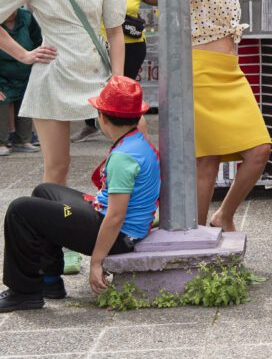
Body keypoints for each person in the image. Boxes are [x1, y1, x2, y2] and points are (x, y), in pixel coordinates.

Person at [149, 0, 272, 231]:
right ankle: (197, 236)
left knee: (259, 149)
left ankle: (222, 216)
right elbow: (172, 4)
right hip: (203, 72)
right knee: (207, 162)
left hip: (229, 73)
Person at [0, 76, 158, 313]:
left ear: (101, 118)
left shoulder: (123, 158)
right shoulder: (137, 141)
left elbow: (115, 217)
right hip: (110, 221)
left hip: (117, 234)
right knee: (45, 192)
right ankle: (49, 281)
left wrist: (96, 262)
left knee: (20, 210)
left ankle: (24, 292)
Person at [0, 0, 125, 187]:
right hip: (52, 78)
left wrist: (118, 78)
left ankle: (129, 217)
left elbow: (116, 32)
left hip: (99, 75)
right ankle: (56, 224)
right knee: (57, 167)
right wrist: (24, 55)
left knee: (133, 149)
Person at [71, 0, 160, 143]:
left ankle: (122, 128)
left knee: (124, 85)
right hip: (104, 43)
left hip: (134, 45)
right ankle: (91, 125)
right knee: (96, 83)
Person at [0, 0, 41, 155]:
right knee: (1, 102)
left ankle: (23, 140)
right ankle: (1, 142)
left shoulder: (26, 17)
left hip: (25, 70)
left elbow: (37, 40)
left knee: (26, 104)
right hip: (2, 74)